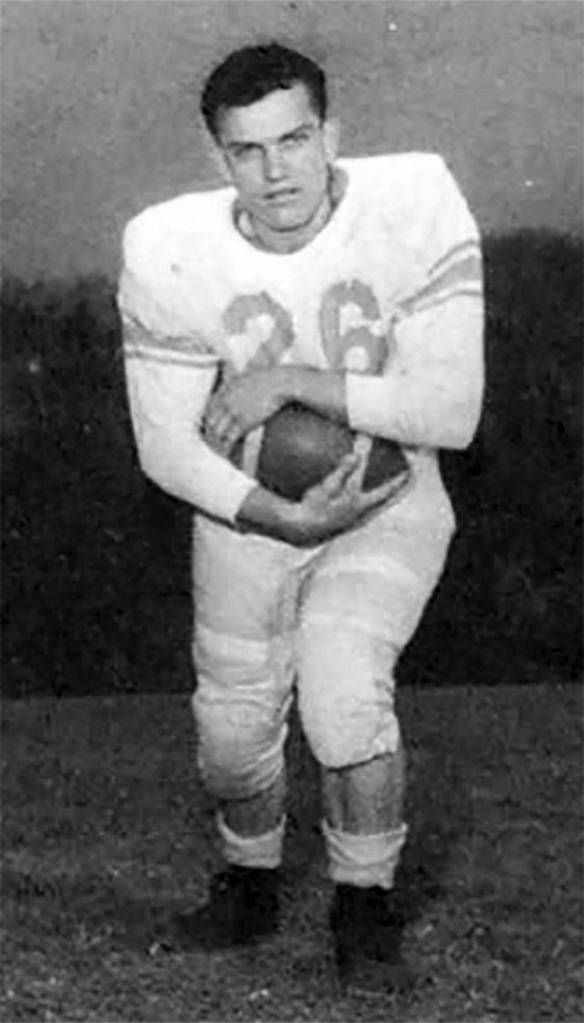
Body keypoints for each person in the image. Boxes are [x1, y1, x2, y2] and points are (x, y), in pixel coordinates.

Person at [117, 41, 484, 995]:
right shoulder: (167, 246)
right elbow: (164, 444)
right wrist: (277, 515)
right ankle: (249, 876)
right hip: (250, 514)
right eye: (247, 150)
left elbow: (451, 411)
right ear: (218, 157)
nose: (275, 171)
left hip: (384, 498)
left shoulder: (413, 202)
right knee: (232, 737)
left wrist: (289, 379)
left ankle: (365, 903)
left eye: (294, 139)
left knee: (343, 692)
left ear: (332, 134)